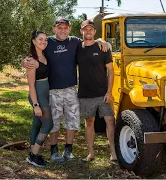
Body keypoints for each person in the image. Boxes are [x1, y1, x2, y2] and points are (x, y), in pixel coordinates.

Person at [22, 18, 109, 163]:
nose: (63, 30)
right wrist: (24, 61)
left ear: (69, 29)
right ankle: (54, 151)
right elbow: (34, 53)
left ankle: (68, 151)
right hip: (53, 90)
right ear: (54, 29)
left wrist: (102, 40)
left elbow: (89, 40)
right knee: (54, 122)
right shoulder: (47, 42)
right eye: (59, 28)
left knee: (72, 121)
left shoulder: (74, 42)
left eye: (65, 28)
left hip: (70, 89)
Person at [76, 20, 116, 162]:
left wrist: (109, 92)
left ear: (94, 31)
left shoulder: (103, 48)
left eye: (91, 29)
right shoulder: (78, 48)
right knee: (89, 122)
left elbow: (111, 71)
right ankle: (91, 153)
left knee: (110, 121)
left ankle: (113, 153)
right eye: (85, 29)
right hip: (85, 93)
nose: (88, 32)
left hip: (103, 93)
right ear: (81, 31)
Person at [26, 30, 53, 167]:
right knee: (48, 124)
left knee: (37, 125)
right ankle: (33, 155)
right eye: (40, 39)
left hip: (45, 94)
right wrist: (36, 104)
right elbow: (31, 86)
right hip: (37, 96)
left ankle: (33, 153)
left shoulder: (44, 55)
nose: (43, 42)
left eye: (45, 39)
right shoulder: (31, 61)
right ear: (34, 42)